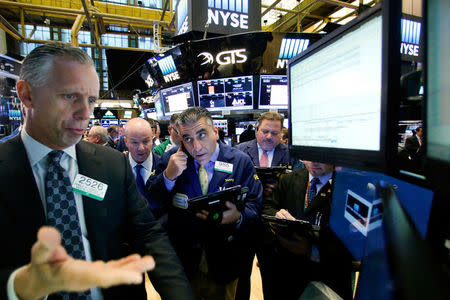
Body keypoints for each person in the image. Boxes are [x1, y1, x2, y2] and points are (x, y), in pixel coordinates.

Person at [0, 42, 193, 300]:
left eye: (90, 99)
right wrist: (16, 286)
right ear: (26, 95)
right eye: (69, 96)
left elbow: (147, 232)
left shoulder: (112, 164)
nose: (85, 114)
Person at [149, 107, 262, 300]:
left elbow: (255, 206)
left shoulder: (240, 161)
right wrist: (168, 176)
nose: (197, 147)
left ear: (215, 132)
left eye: (202, 135)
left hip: (225, 262)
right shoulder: (171, 159)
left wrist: (238, 218)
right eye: (188, 138)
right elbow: (153, 200)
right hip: (183, 264)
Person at [260, 161, 353, 300]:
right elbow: (268, 205)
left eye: (321, 156)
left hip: (326, 275)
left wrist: (312, 250)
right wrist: (277, 216)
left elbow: (351, 242)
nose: (313, 162)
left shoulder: (349, 187)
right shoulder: (290, 178)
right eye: (309, 155)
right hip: (287, 271)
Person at [124, 117, 165, 220]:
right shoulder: (115, 166)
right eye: (134, 142)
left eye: (146, 141)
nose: (141, 148)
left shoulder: (165, 166)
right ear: (126, 142)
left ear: (153, 138)